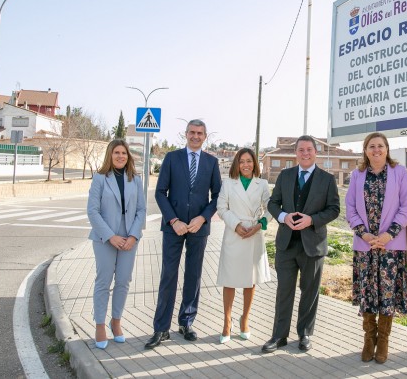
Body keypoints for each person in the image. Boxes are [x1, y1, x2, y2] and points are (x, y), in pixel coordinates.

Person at [145, 119, 222, 349]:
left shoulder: (211, 162)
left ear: (205, 136)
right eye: (192, 132)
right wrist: (174, 220)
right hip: (173, 227)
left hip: (199, 228)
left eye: (200, 133)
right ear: (185, 134)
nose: (195, 136)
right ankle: (161, 328)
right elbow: (160, 192)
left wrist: (202, 218)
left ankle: (186, 322)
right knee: (168, 275)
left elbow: (218, 196)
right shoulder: (171, 158)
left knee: (193, 276)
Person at [261, 135, 340, 353]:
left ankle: (304, 333)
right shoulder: (285, 176)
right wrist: (283, 216)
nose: (305, 153)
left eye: (309, 150)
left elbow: (334, 209)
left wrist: (312, 220)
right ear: (295, 153)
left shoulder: (327, 179)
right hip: (286, 243)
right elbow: (273, 203)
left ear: (315, 152)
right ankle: (279, 336)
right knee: (283, 291)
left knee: (310, 291)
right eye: (301, 150)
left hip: (313, 245)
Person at [346, 132, 407, 364]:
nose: (376, 150)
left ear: (387, 149)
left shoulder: (399, 173)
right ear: (365, 150)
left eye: (380, 146)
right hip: (365, 245)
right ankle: (368, 338)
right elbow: (351, 208)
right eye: (371, 146)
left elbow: (406, 207)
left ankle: (383, 340)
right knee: (368, 293)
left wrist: (387, 235)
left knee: (387, 294)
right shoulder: (357, 175)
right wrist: (364, 233)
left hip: (390, 247)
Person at [87, 139, 146, 349]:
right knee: (103, 281)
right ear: (110, 155)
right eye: (116, 153)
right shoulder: (100, 178)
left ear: (128, 156)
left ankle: (116, 321)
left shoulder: (135, 180)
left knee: (123, 281)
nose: (121, 156)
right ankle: (100, 324)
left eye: (124, 153)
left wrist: (133, 236)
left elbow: (141, 210)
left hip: (129, 238)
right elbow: (92, 211)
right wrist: (111, 236)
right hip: (105, 238)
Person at [215, 148, 272, 343]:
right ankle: (226, 321)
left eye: (249, 161)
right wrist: (236, 225)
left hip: (254, 235)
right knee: (230, 279)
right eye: (242, 161)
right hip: (234, 234)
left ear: (255, 163)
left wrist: (259, 225)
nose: (246, 165)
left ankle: (245, 319)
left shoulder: (262, 184)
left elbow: (270, 208)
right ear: (236, 164)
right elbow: (221, 208)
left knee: (250, 279)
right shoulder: (228, 184)